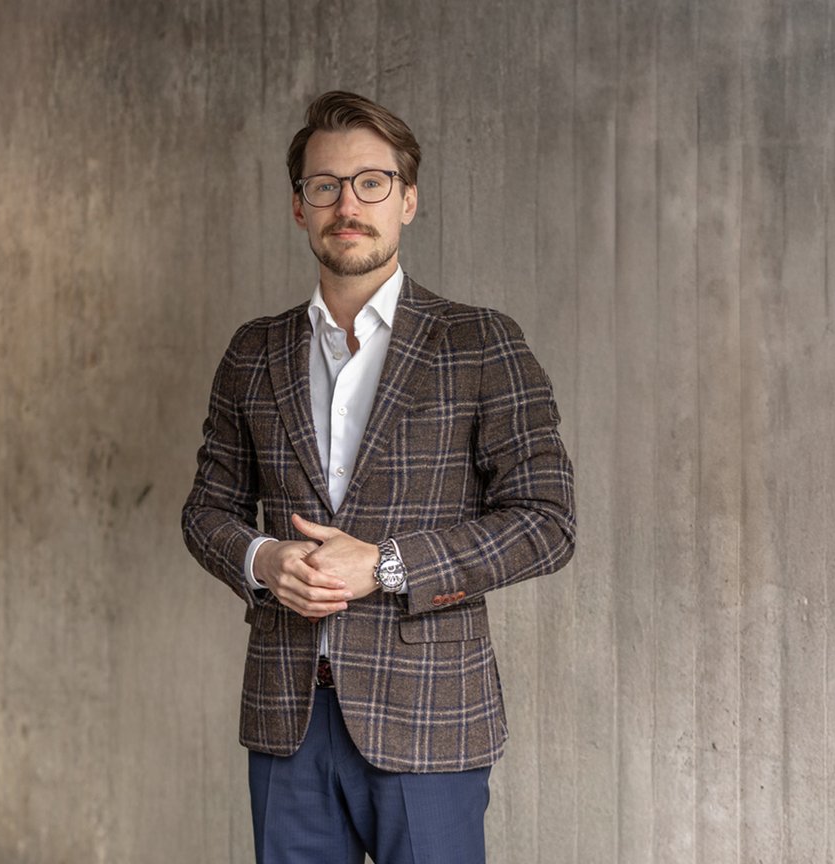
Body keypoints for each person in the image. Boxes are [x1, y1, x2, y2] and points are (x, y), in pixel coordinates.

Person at [181, 91, 576, 864]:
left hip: (428, 716)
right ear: (299, 206)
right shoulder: (253, 352)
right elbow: (206, 511)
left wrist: (387, 565)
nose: (347, 204)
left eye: (371, 182)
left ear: (408, 199)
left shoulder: (480, 343)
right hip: (287, 718)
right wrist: (264, 559)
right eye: (325, 185)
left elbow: (547, 521)